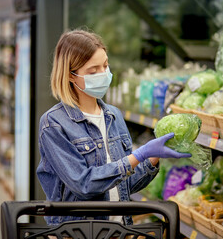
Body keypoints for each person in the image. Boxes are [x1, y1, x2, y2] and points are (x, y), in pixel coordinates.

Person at [36, 29, 191, 226]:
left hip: (119, 229)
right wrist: (138, 155)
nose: (103, 74)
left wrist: (152, 158)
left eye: (106, 66)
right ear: (71, 76)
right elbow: (84, 185)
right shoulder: (54, 124)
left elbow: (124, 186)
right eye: (93, 71)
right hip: (77, 232)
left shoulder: (113, 115)